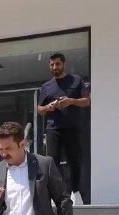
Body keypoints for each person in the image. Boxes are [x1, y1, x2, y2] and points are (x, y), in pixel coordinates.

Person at [37, 52, 91, 204]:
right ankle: (55, 194)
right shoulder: (46, 87)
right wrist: (49, 107)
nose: (55, 67)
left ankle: (76, 191)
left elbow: (86, 101)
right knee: (52, 163)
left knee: (75, 161)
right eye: (52, 65)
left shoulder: (76, 80)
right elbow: (39, 109)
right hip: (53, 129)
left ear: (64, 64)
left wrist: (70, 101)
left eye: (57, 64)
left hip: (72, 127)